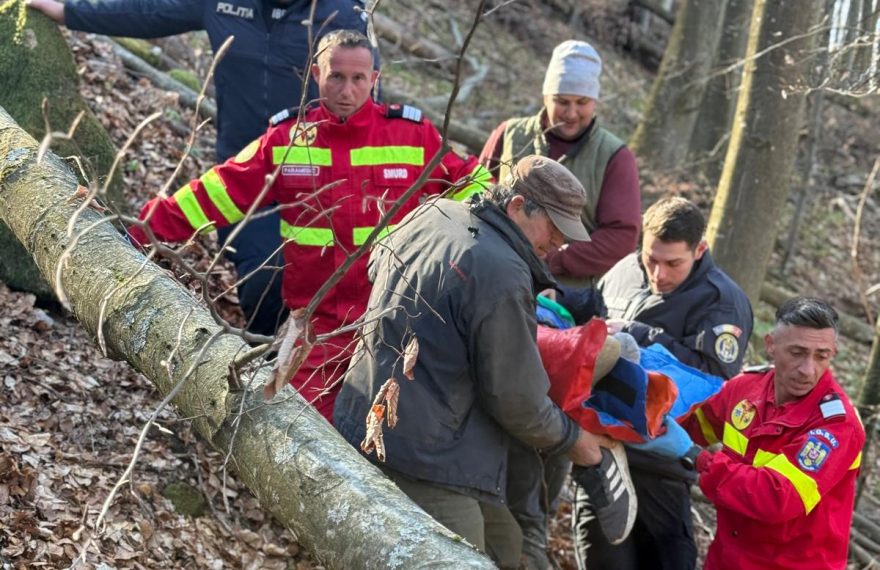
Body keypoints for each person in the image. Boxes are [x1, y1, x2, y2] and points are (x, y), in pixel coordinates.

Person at [128, 30, 491, 421]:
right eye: (336, 76)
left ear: (375, 79)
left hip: (395, 320)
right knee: (296, 427)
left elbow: (479, 188)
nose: (347, 90)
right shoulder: (287, 140)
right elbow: (214, 193)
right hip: (317, 325)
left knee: (395, 438)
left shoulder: (412, 134)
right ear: (315, 74)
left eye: (358, 78)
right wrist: (139, 231)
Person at [334, 156, 636, 568]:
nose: (559, 245)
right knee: (462, 558)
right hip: (426, 455)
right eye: (554, 229)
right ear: (517, 206)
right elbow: (518, 400)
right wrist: (574, 442)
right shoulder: (501, 271)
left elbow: (374, 266)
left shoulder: (434, 211)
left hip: (364, 418)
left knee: (506, 545)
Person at [27, 0, 371, 335]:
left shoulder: (340, 14)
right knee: (264, 280)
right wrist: (68, 11)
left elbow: (365, 100)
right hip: (244, 178)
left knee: (333, 291)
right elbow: (150, 12)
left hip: (320, 180)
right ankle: (258, 363)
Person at [571, 196, 753, 569]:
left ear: (699, 249)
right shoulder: (622, 271)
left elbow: (713, 382)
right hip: (601, 458)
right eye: (651, 259)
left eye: (673, 263)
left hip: (663, 468)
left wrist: (641, 335)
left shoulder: (721, 302)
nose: (659, 274)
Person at [665, 297, 863, 569]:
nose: (808, 369)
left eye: (821, 356)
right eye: (797, 352)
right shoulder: (745, 388)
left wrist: (699, 458)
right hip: (728, 558)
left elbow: (777, 498)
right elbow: (690, 423)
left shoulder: (838, 425)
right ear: (771, 345)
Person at [479, 39, 640, 286]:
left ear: (594, 101)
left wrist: (552, 257)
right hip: (494, 273)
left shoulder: (614, 156)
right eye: (562, 102)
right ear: (546, 96)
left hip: (567, 291)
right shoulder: (508, 134)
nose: (571, 113)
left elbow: (621, 237)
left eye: (582, 103)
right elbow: (475, 193)